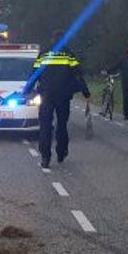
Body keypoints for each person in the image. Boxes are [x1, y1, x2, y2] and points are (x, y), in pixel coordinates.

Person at [23, 31, 91, 168]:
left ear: (51, 40)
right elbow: (78, 74)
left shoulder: (44, 53)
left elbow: (34, 74)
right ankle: (61, 151)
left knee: (45, 126)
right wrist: (85, 92)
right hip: (63, 95)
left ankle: (45, 157)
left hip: (46, 95)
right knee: (62, 124)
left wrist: (26, 90)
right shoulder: (68, 53)